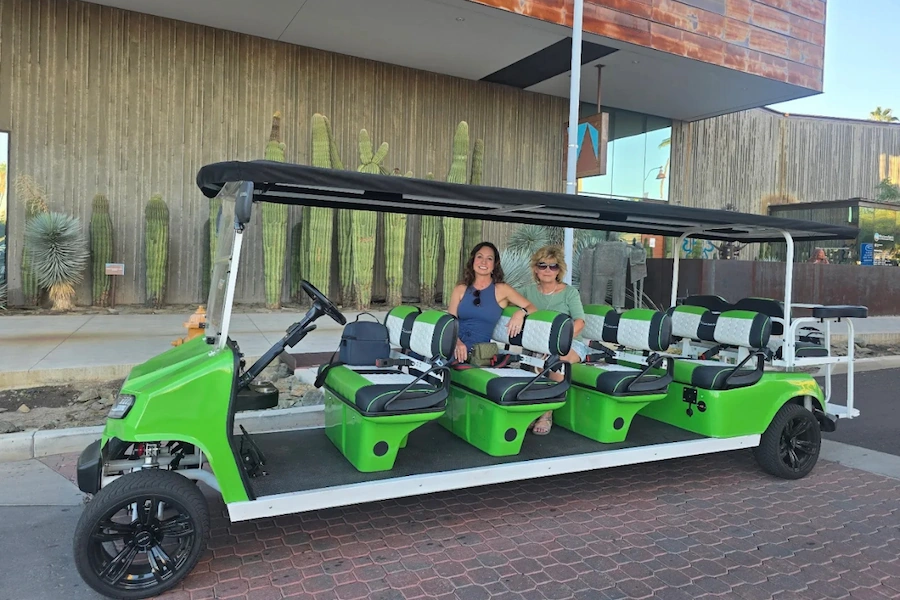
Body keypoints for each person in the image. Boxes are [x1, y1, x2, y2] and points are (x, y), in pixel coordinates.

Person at [518, 245, 587, 435]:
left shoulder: (569, 293)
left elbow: (580, 322)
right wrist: (519, 312)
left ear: (559, 270)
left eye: (553, 266)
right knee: (530, 360)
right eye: (542, 265)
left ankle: (546, 413)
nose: (547, 270)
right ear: (535, 269)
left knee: (556, 363)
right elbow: (504, 298)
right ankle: (531, 408)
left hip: (570, 343)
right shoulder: (527, 291)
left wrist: (557, 343)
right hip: (539, 344)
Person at [447, 242, 537, 364]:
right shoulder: (460, 288)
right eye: (479, 257)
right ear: (473, 260)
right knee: (421, 358)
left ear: (494, 265)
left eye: (489, 258)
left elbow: (531, 307)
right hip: (453, 342)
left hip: (477, 351)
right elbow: (450, 322)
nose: (483, 262)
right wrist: (456, 342)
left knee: (437, 364)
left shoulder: (502, 289)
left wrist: (520, 313)